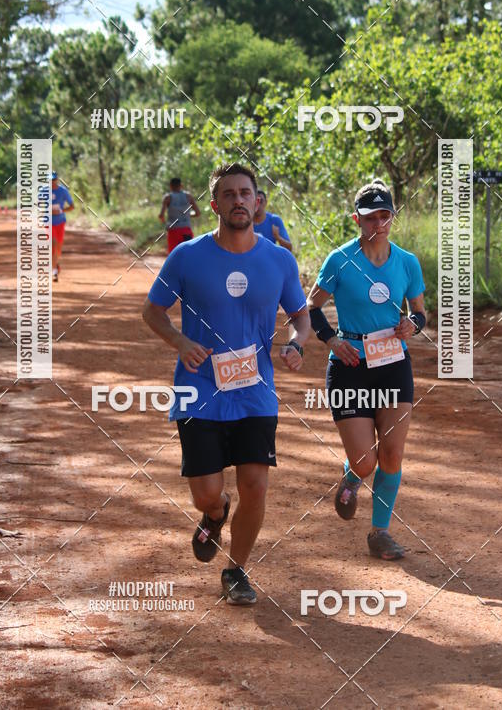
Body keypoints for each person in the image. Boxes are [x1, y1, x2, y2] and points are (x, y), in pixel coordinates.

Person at [143, 162, 310, 604]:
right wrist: (179, 341)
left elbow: (301, 314)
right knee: (207, 494)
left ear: (258, 202)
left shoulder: (278, 259)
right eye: (229, 194)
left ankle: (236, 570)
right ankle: (215, 515)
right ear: (214, 204)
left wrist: (298, 343)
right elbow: (152, 311)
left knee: (255, 483)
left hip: (256, 393)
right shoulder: (187, 257)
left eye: (246, 193)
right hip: (199, 393)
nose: (239, 200)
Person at [307, 178, 426, 561]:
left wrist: (413, 324)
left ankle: (380, 533)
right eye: (370, 216)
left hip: (393, 362)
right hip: (350, 363)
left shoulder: (407, 262)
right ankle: (352, 475)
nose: (378, 222)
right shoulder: (339, 260)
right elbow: (310, 306)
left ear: (392, 217)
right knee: (365, 460)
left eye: (384, 215)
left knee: (391, 455)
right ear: (356, 219)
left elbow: (421, 312)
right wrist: (331, 340)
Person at [159, 177, 200, 253]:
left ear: (170, 186)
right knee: (187, 255)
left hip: (173, 230)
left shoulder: (168, 198)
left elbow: (161, 216)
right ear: (181, 185)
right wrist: (187, 215)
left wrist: (165, 222)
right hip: (186, 230)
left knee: (173, 255)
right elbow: (198, 213)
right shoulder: (188, 196)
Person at [50, 171, 74, 282]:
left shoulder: (63, 191)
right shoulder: (43, 192)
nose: (52, 182)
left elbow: (72, 206)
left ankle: (56, 262)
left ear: (57, 180)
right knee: (53, 244)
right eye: (50, 180)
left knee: (58, 248)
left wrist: (60, 210)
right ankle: (54, 272)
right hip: (48, 223)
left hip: (60, 222)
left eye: (54, 180)